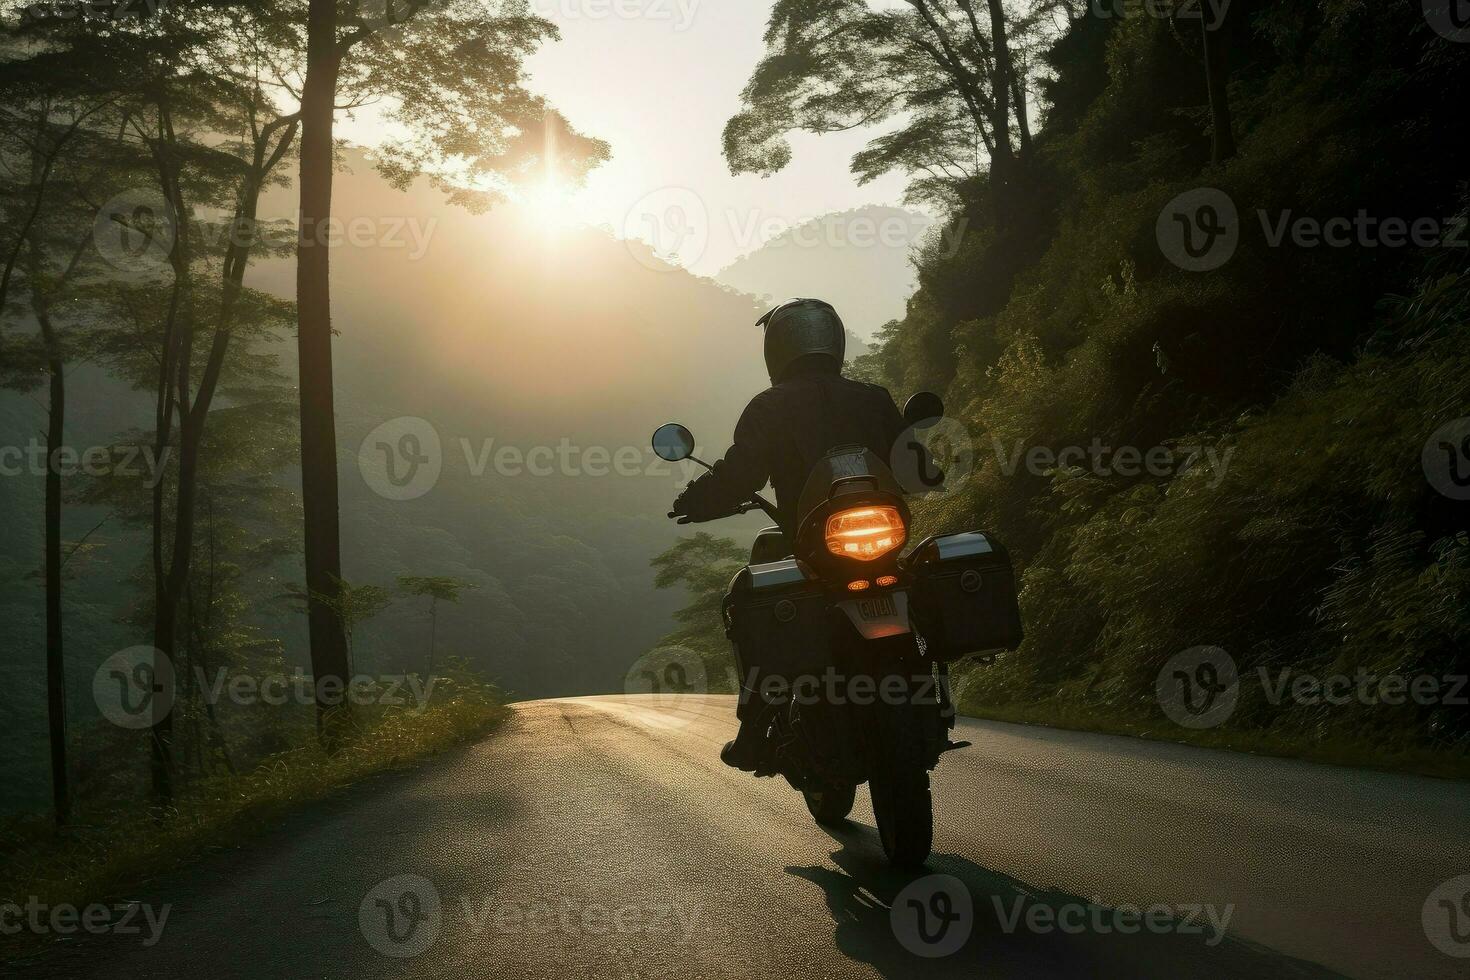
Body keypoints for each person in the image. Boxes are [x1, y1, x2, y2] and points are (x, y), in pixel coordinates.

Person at [669, 298, 915, 772]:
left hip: (816, 545)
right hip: (884, 540)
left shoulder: (769, 406)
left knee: (753, 598)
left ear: (777, 349)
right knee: (915, 578)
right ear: (836, 342)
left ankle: (756, 726)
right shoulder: (873, 398)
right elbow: (915, 464)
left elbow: (739, 475)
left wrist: (695, 501)